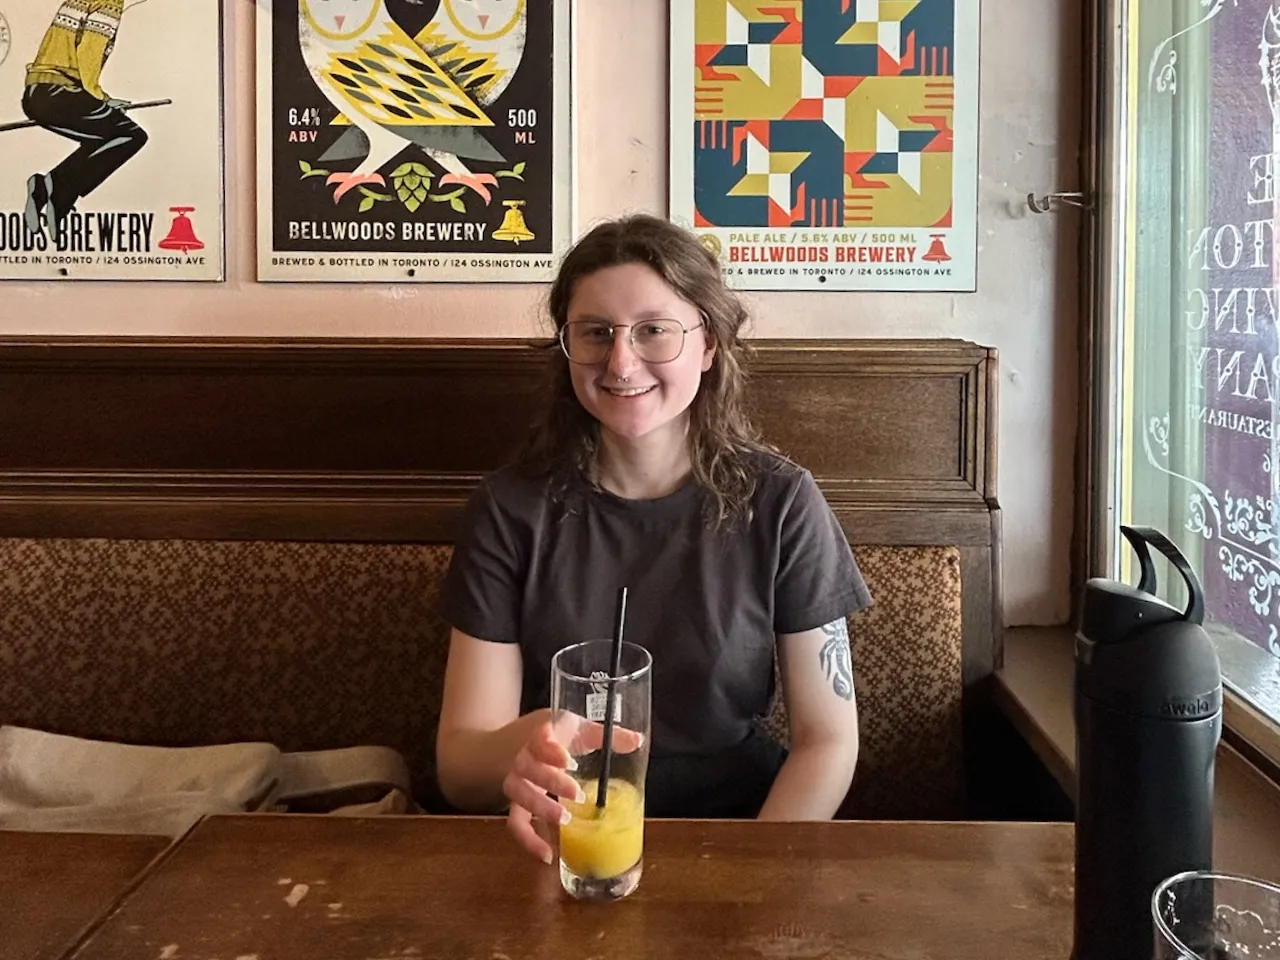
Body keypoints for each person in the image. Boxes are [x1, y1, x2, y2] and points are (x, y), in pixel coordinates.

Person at [436, 214, 871, 864]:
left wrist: (757, 868)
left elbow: (828, 740)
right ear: (567, 348)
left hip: (742, 827)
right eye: (596, 333)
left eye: (653, 331)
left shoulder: (781, 502)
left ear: (708, 345)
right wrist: (531, 737)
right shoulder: (509, 508)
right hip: (565, 837)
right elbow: (460, 766)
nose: (620, 360)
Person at [21, 0, 148, 240]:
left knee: (104, 139)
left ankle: (45, 189)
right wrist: (101, 98)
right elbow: (88, 55)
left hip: (37, 93)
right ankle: (58, 188)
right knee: (132, 136)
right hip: (58, 93)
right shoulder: (110, 2)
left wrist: (101, 103)